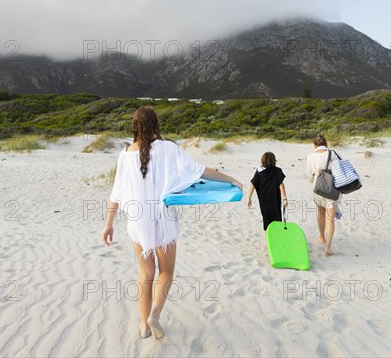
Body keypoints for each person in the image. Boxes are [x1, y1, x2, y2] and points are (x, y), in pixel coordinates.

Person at [102, 106, 242, 342]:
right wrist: (230, 179)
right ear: (156, 124)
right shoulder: (168, 149)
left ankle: (144, 326)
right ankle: (155, 314)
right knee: (166, 271)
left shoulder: (125, 153)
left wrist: (108, 224)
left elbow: (116, 193)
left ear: (134, 126)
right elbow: (199, 172)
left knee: (146, 273)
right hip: (163, 221)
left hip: (137, 224)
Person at [306, 134, 341, 256]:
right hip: (332, 189)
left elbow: (310, 175)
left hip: (318, 188)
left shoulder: (310, 156)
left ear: (314, 145)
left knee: (320, 213)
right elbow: (340, 170)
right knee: (330, 218)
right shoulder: (334, 154)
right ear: (326, 144)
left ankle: (321, 236)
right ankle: (328, 248)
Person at [246, 152, 288, 231]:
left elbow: (253, 184)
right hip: (275, 199)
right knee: (277, 217)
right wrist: (285, 198)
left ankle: (267, 236)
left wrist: (249, 197)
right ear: (273, 161)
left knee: (266, 218)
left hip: (264, 200)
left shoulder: (259, 172)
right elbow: (281, 184)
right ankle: (276, 234)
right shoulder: (277, 171)